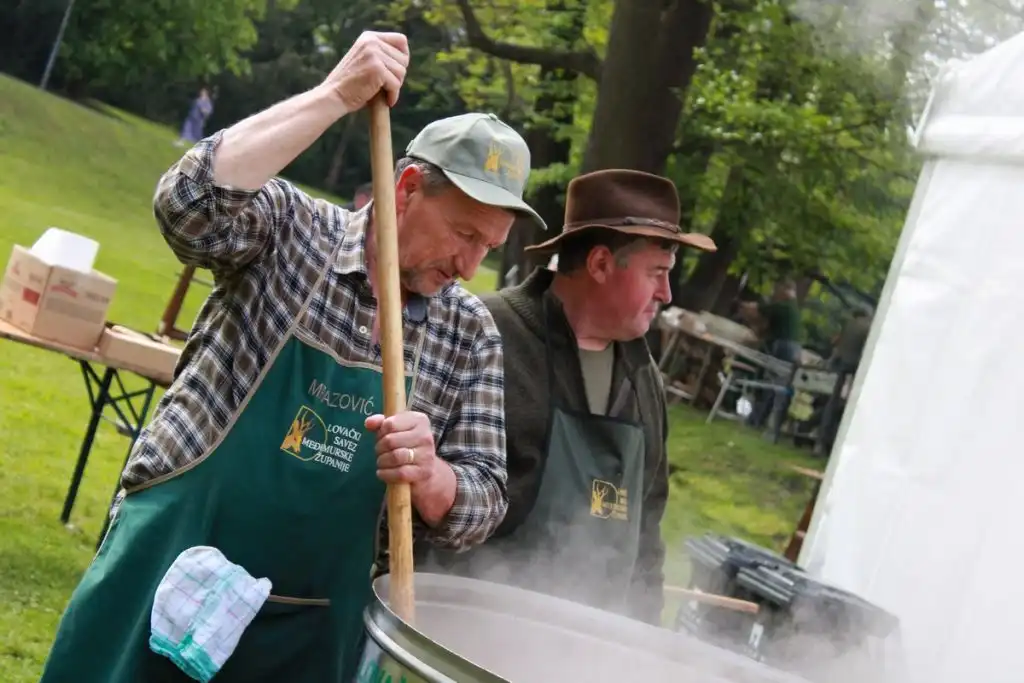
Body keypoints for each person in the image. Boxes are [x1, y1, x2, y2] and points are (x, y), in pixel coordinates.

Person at [39, 31, 545, 683]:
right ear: (408, 188)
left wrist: (433, 478)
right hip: (171, 573)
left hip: (310, 625)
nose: (471, 264)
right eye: (464, 233)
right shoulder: (290, 233)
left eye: (492, 247)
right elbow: (187, 205)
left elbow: (483, 499)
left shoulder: (468, 331)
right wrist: (337, 95)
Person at [418, 169, 717, 626]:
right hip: (465, 637)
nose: (667, 294)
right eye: (656, 273)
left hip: (581, 660)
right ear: (599, 264)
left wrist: (639, 650)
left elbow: (647, 540)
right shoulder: (486, 333)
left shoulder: (644, 380)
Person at [739, 279, 804, 431]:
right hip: (792, 348)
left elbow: (758, 309)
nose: (776, 294)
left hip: (782, 346)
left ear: (785, 290)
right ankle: (768, 421)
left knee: (769, 382)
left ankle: (756, 419)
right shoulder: (793, 309)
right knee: (780, 384)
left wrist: (745, 306)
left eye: (778, 290)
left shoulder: (784, 307)